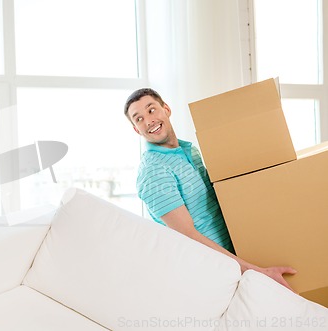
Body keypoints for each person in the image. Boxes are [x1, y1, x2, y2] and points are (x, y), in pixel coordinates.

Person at [124, 87, 297, 290]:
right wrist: (256, 272)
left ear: (166, 109)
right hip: (216, 274)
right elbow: (188, 236)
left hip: (239, 256)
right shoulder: (153, 172)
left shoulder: (189, 150)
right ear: (137, 129)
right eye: (139, 119)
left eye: (151, 110)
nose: (148, 121)